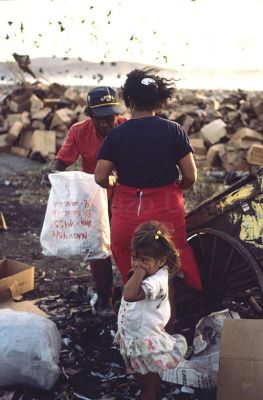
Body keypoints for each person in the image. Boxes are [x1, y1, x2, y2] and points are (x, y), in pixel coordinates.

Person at [94, 68, 202, 296]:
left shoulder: (116, 134)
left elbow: (100, 177)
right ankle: (171, 316)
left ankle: (134, 306)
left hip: (127, 211)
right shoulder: (174, 130)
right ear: (159, 101)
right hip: (166, 208)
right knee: (168, 264)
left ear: (129, 99)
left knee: (131, 259)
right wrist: (178, 187)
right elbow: (190, 176)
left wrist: (115, 182)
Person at [42, 86, 127, 318]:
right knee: (98, 249)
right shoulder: (79, 131)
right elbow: (62, 160)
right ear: (90, 115)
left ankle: (133, 294)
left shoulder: (127, 128)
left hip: (125, 196)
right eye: (101, 119)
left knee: (125, 246)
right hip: (95, 198)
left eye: (111, 116)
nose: (107, 123)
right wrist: (52, 173)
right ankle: (104, 296)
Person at [114, 220, 188, 400]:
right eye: (134, 257)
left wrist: (138, 271)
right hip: (135, 336)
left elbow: (130, 295)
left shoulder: (157, 281)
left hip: (145, 343)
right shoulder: (150, 271)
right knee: (144, 377)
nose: (137, 263)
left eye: (144, 260)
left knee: (149, 384)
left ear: (161, 260)